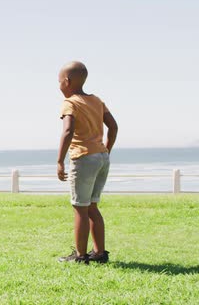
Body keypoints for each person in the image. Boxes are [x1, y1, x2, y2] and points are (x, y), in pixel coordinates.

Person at [55, 61, 118, 264]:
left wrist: (59, 161)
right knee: (92, 206)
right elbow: (113, 126)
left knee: (80, 208)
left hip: (83, 158)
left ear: (67, 81)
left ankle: (80, 256)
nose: (59, 86)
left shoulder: (70, 103)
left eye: (59, 81)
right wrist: (105, 150)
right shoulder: (97, 101)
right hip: (101, 157)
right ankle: (99, 253)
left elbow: (68, 130)